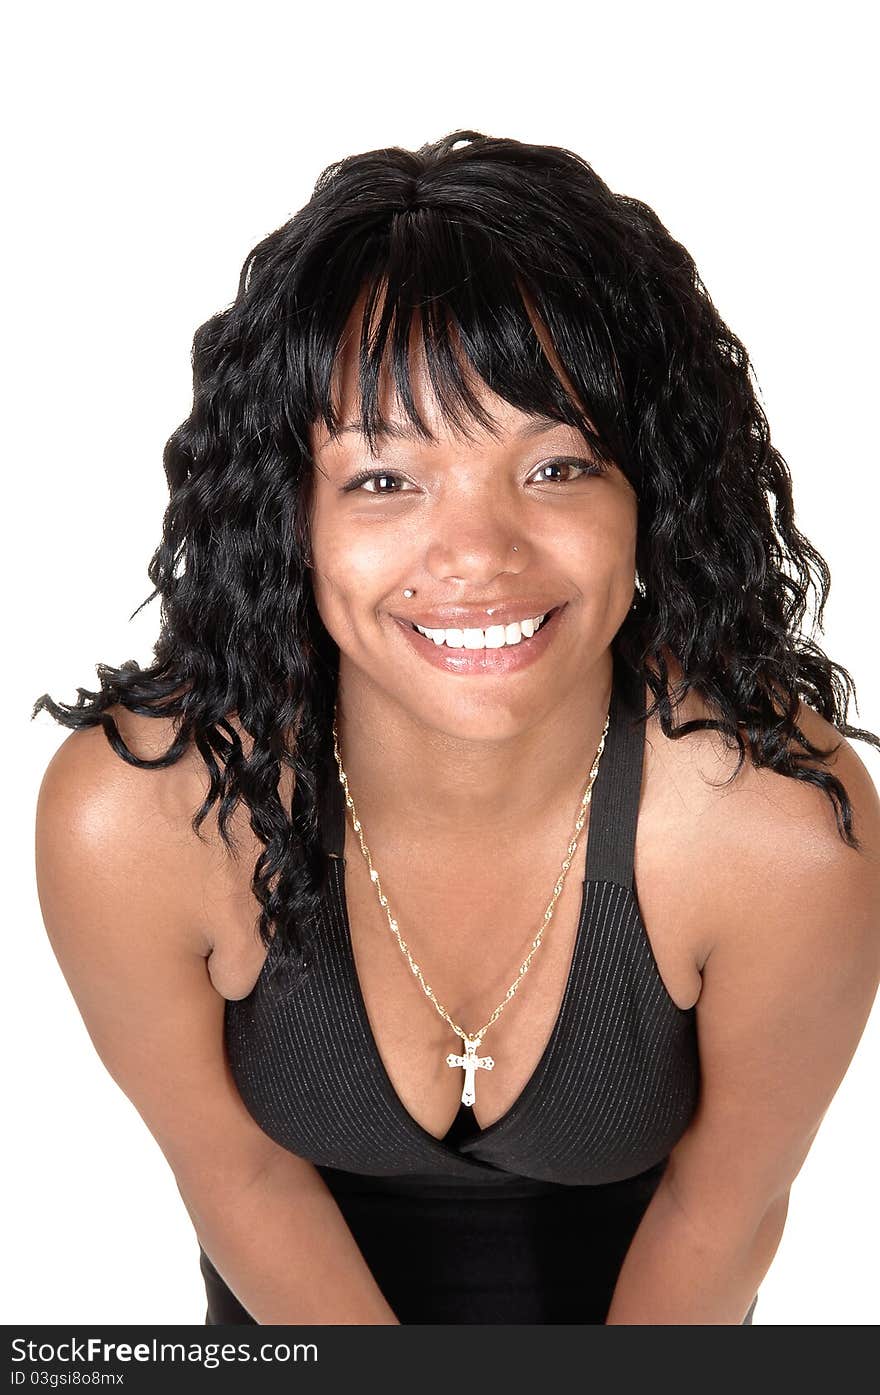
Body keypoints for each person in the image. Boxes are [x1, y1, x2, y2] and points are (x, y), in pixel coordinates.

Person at [33, 129, 880, 1326]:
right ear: (293, 516)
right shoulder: (141, 813)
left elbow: (724, 1211)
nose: (479, 555)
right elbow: (240, 1178)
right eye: (385, 479)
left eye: (557, 468)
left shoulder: (778, 827)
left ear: (653, 499)